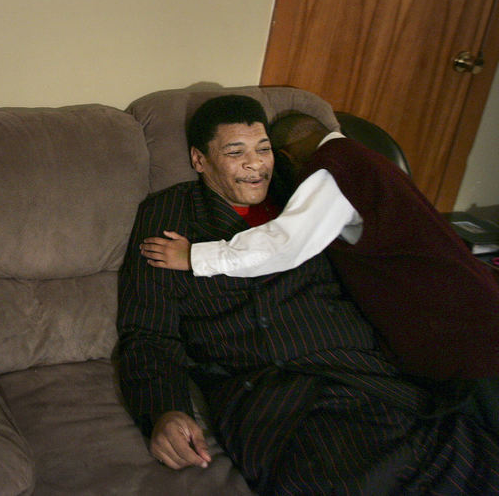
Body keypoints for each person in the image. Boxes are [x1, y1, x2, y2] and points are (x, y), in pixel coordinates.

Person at [117, 94, 499, 494]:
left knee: (468, 463)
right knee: (348, 479)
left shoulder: (305, 192)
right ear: (199, 160)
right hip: (277, 397)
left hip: (367, 378)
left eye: (263, 149)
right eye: (236, 152)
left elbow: (356, 264)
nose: (256, 164)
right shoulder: (170, 216)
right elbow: (146, 330)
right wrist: (163, 409)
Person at [140, 111, 499, 382]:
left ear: (286, 154)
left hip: (461, 325)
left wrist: (195, 255)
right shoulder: (364, 158)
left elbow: (286, 242)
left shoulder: (334, 170)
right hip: (472, 298)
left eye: (266, 153)